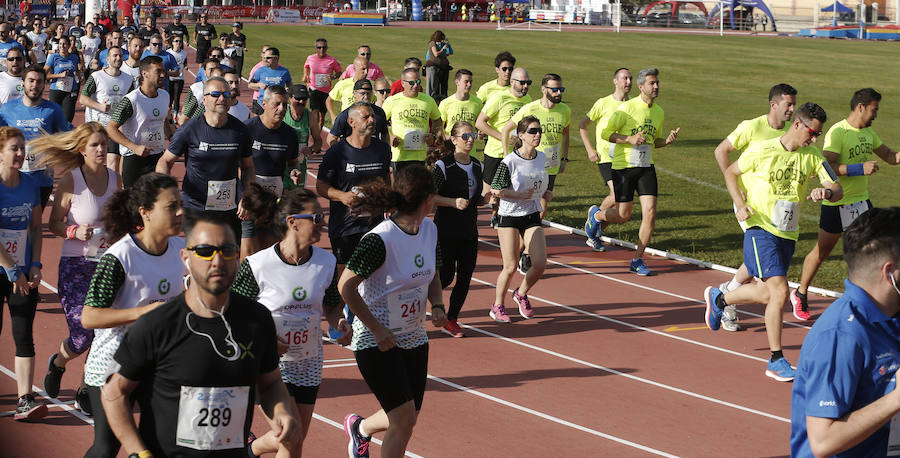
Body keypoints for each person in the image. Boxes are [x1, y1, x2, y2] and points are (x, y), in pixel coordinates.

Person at [100, 212, 301, 457]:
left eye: (227, 250)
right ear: (186, 258)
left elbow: (270, 384)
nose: (217, 260)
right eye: (205, 251)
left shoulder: (257, 320)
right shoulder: (157, 325)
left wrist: (282, 413)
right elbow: (114, 393)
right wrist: (138, 453)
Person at [703, 102, 843, 382]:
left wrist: (825, 194)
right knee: (780, 292)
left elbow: (836, 188)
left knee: (767, 294)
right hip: (760, 228)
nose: (815, 139)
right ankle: (776, 359)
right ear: (798, 125)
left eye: (818, 134)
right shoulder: (762, 149)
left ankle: (720, 298)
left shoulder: (812, 156)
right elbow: (731, 172)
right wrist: (740, 204)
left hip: (787, 234)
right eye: (812, 133)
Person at [339, 165, 447, 458]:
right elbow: (346, 287)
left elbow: (433, 272)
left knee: (406, 415)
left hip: (413, 337)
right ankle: (361, 431)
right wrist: (376, 328)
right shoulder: (380, 239)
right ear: (427, 199)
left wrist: (437, 304)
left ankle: (360, 429)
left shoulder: (430, 229)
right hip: (375, 340)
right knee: (403, 419)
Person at [234, 188, 352, 457]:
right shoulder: (257, 265)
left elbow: (332, 306)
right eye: (315, 216)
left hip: (309, 362)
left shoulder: (326, 261)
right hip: (270, 366)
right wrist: (264, 341)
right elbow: (236, 314)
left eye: (321, 216)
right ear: (292, 221)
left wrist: (340, 323)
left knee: (295, 439)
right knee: (290, 436)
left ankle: (251, 449)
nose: (321, 222)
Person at [80, 173, 186, 456]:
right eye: (171, 206)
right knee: (106, 447)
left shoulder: (180, 250)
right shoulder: (120, 256)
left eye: (180, 204)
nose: (180, 212)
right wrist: (145, 313)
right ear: (146, 212)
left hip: (157, 361)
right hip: (113, 363)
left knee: (158, 442)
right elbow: (89, 317)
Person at [789, 207, 900, 457]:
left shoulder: (891, 316)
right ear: (890, 272)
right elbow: (823, 442)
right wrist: (895, 400)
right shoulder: (840, 335)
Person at [792, 88, 900, 319]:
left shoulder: (868, 134)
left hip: (862, 204)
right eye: (874, 109)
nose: (876, 115)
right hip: (837, 203)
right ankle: (800, 293)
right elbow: (825, 168)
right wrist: (858, 168)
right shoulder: (838, 132)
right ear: (861, 107)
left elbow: (891, 157)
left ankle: (869, 302)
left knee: (873, 252)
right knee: (823, 251)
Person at [34, 123, 119, 410]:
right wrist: (73, 232)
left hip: (107, 264)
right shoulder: (72, 180)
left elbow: (120, 220)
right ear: (82, 150)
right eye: (94, 145)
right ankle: (58, 362)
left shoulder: (116, 179)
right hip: (76, 264)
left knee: (103, 330)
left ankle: (85, 387)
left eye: (104, 145)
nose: (100, 150)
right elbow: (54, 223)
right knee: (82, 335)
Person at [709, 83, 798, 331]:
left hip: (778, 211)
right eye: (788, 104)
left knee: (754, 263)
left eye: (794, 105)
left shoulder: (792, 133)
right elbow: (721, 151)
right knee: (765, 282)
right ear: (774, 105)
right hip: (751, 208)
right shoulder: (753, 127)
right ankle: (725, 302)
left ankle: (725, 293)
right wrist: (738, 192)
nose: (792, 109)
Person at [585, 68, 680, 276]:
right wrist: (629, 139)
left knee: (650, 213)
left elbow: (655, 142)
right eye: (651, 83)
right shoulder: (626, 109)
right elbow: (606, 133)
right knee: (622, 216)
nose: (656, 87)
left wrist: (667, 141)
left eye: (657, 83)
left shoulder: (659, 112)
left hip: (646, 167)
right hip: (624, 168)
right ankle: (597, 215)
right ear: (641, 87)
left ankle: (638, 259)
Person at [156, 76, 254, 244]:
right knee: (199, 256)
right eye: (215, 94)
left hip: (229, 208)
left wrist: (247, 196)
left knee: (229, 257)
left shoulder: (241, 130)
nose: (222, 98)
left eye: (226, 94)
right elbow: (165, 162)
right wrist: (168, 194)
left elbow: (248, 167)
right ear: (204, 99)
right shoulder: (189, 129)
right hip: (196, 206)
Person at [0, 126, 45, 421]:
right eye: (13, 148)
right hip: (7, 269)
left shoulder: (30, 184)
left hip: (22, 273)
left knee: (23, 332)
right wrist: (12, 269)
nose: (20, 153)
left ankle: (24, 398)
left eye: (21, 148)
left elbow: (36, 227)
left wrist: (35, 264)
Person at [316, 102, 391, 275]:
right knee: (344, 281)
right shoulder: (337, 152)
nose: (372, 120)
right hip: (345, 227)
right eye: (366, 117)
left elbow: (385, 179)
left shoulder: (383, 149)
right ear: (351, 122)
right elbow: (321, 186)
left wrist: (386, 200)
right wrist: (342, 196)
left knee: (374, 277)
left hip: (375, 226)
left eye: (373, 116)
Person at [488, 116, 550, 323]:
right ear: (521, 135)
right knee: (511, 265)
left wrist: (546, 193)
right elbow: (496, 189)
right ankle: (497, 305)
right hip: (509, 216)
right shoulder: (510, 162)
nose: (538, 135)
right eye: (533, 131)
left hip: (531, 214)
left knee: (540, 263)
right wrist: (518, 195)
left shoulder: (542, 157)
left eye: (539, 130)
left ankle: (521, 293)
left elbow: (542, 181)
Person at [430, 121, 485, 337]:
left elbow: (474, 196)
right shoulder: (443, 166)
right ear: (453, 140)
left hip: (469, 230)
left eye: (472, 135)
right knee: (445, 277)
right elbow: (429, 196)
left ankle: (451, 319)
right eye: (465, 136)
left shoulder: (477, 166)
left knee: (465, 276)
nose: (470, 139)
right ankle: (420, 304)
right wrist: (452, 202)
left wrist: (483, 200)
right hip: (445, 230)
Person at [0, 65, 73, 208]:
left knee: (35, 224)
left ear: (44, 84)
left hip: (42, 180)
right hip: (12, 177)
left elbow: (68, 136)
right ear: (23, 83)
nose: (35, 85)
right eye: (31, 80)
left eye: (39, 81)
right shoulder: (7, 109)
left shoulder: (53, 110)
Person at [242, 85, 302, 256]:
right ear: (264, 103)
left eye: (284, 104)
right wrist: (244, 197)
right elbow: (236, 165)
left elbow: (293, 162)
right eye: (277, 104)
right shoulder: (247, 129)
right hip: (250, 199)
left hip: (274, 201)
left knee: (270, 251)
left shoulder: (289, 134)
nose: (281, 109)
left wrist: (294, 171)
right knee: (249, 254)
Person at [503, 73, 570, 220]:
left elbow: (566, 134)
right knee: (531, 204)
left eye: (561, 89)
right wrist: (506, 155)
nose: (559, 93)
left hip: (551, 165)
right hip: (531, 164)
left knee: (541, 205)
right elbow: (506, 129)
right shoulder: (530, 109)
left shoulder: (565, 110)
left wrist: (564, 158)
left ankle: (527, 235)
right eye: (555, 90)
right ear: (544, 89)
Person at [579, 68, 632, 252]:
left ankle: (595, 228)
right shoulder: (603, 103)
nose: (628, 82)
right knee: (617, 195)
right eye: (625, 78)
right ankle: (594, 223)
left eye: (630, 78)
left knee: (619, 205)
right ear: (615, 81)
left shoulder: (633, 105)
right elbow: (583, 125)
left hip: (626, 158)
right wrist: (589, 149)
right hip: (606, 157)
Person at [476, 66, 532, 228]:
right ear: (513, 81)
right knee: (488, 192)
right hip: (496, 152)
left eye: (528, 83)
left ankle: (497, 216)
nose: (526, 86)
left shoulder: (528, 101)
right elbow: (480, 122)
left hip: (517, 154)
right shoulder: (499, 98)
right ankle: (471, 214)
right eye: (522, 83)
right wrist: (503, 137)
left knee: (510, 187)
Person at [106, 55, 171, 187]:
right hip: (135, 159)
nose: (163, 75)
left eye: (163, 71)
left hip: (157, 156)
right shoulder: (132, 99)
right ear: (144, 74)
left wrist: (171, 137)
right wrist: (134, 147)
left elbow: (163, 121)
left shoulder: (165, 96)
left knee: (156, 201)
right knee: (133, 202)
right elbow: (111, 128)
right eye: (158, 71)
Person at [383, 67, 441, 171]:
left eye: (418, 82)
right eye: (411, 83)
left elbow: (437, 120)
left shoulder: (428, 100)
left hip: (420, 156)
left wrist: (433, 135)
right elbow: (380, 122)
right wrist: (390, 136)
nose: (415, 85)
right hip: (399, 156)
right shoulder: (392, 101)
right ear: (403, 83)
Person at [326, 79, 388, 146]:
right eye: (362, 93)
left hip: (372, 153)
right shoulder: (346, 115)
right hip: (351, 154)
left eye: (368, 93)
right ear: (354, 94)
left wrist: (384, 151)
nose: (366, 97)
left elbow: (385, 135)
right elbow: (331, 137)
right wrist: (339, 153)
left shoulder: (379, 113)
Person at [282, 84, 321, 190]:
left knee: (297, 200)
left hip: (300, 166)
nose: (301, 102)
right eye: (298, 98)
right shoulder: (283, 113)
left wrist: (311, 149)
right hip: (282, 164)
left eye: (304, 99)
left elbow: (318, 141)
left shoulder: (310, 116)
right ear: (290, 98)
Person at [438, 69, 482, 158]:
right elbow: (439, 126)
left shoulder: (477, 103)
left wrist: (480, 133)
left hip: (470, 150)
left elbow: (480, 124)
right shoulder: (446, 103)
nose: (469, 85)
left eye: (470, 82)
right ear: (457, 82)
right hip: (451, 148)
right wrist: (447, 137)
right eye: (466, 82)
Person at [302, 38, 341, 130]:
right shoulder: (310, 58)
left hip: (326, 91)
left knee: (322, 117)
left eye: (324, 47)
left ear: (327, 48)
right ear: (315, 48)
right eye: (319, 47)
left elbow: (339, 73)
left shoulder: (332, 60)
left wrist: (332, 77)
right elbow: (306, 66)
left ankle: (317, 135)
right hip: (313, 89)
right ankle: (313, 132)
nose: (321, 50)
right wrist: (305, 75)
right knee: (315, 113)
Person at [44, 35, 81, 122]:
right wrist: (59, 75)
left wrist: (79, 75)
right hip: (56, 90)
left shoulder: (74, 58)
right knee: (54, 117)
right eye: (60, 44)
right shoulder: (53, 57)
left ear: (68, 45)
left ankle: (65, 135)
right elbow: (43, 74)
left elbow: (76, 71)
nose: (62, 46)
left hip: (70, 90)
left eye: (64, 44)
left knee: (68, 118)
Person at [326, 56, 372, 124]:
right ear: (354, 68)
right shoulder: (343, 84)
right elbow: (329, 100)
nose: (366, 72)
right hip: (346, 122)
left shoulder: (371, 85)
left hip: (364, 124)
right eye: (363, 69)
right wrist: (333, 116)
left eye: (368, 69)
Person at [248, 47, 291, 115]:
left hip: (277, 105)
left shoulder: (285, 72)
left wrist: (288, 90)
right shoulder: (260, 70)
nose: (265, 60)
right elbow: (250, 84)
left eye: (268, 57)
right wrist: (259, 85)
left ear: (276, 58)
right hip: (262, 104)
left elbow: (290, 85)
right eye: (264, 57)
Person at [178, 59, 219, 124]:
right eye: (211, 69)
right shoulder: (197, 89)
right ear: (204, 72)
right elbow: (184, 116)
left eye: (217, 69)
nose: (214, 72)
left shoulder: (226, 91)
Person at [424, 30, 452, 101]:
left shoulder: (439, 44)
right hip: (433, 67)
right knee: (432, 86)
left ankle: (439, 99)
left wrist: (448, 46)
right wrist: (443, 49)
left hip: (440, 67)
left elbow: (449, 52)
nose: (441, 41)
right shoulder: (432, 43)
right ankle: (431, 100)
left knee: (439, 86)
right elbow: (436, 54)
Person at [167, 35, 187, 114]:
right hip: (169, 78)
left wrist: (185, 66)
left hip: (179, 78)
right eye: (176, 41)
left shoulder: (184, 53)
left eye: (180, 41)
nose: (178, 43)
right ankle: (168, 114)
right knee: (169, 98)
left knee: (177, 97)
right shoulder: (168, 52)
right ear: (172, 43)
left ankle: (175, 115)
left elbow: (184, 62)